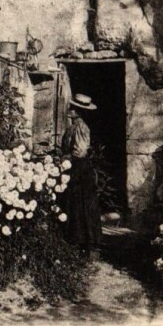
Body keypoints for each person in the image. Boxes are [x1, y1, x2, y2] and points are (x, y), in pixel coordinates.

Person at [61, 93, 102, 259]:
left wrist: (64, 158)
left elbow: (80, 151)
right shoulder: (73, 127)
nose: (69, 110)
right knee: (75, 203)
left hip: (80, 168)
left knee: (82, 204)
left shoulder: (81, 128)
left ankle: (86, 243)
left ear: (78, 112)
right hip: (75, 167)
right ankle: (76, 242)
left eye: (73, 108)